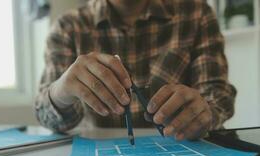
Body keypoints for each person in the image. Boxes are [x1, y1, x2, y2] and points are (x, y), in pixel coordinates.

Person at [35, 0, 236, 140]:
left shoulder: (197, 14)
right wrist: (60, 92)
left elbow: (217, 94)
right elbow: (48, 117)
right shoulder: (67, 27)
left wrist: (205, 111)